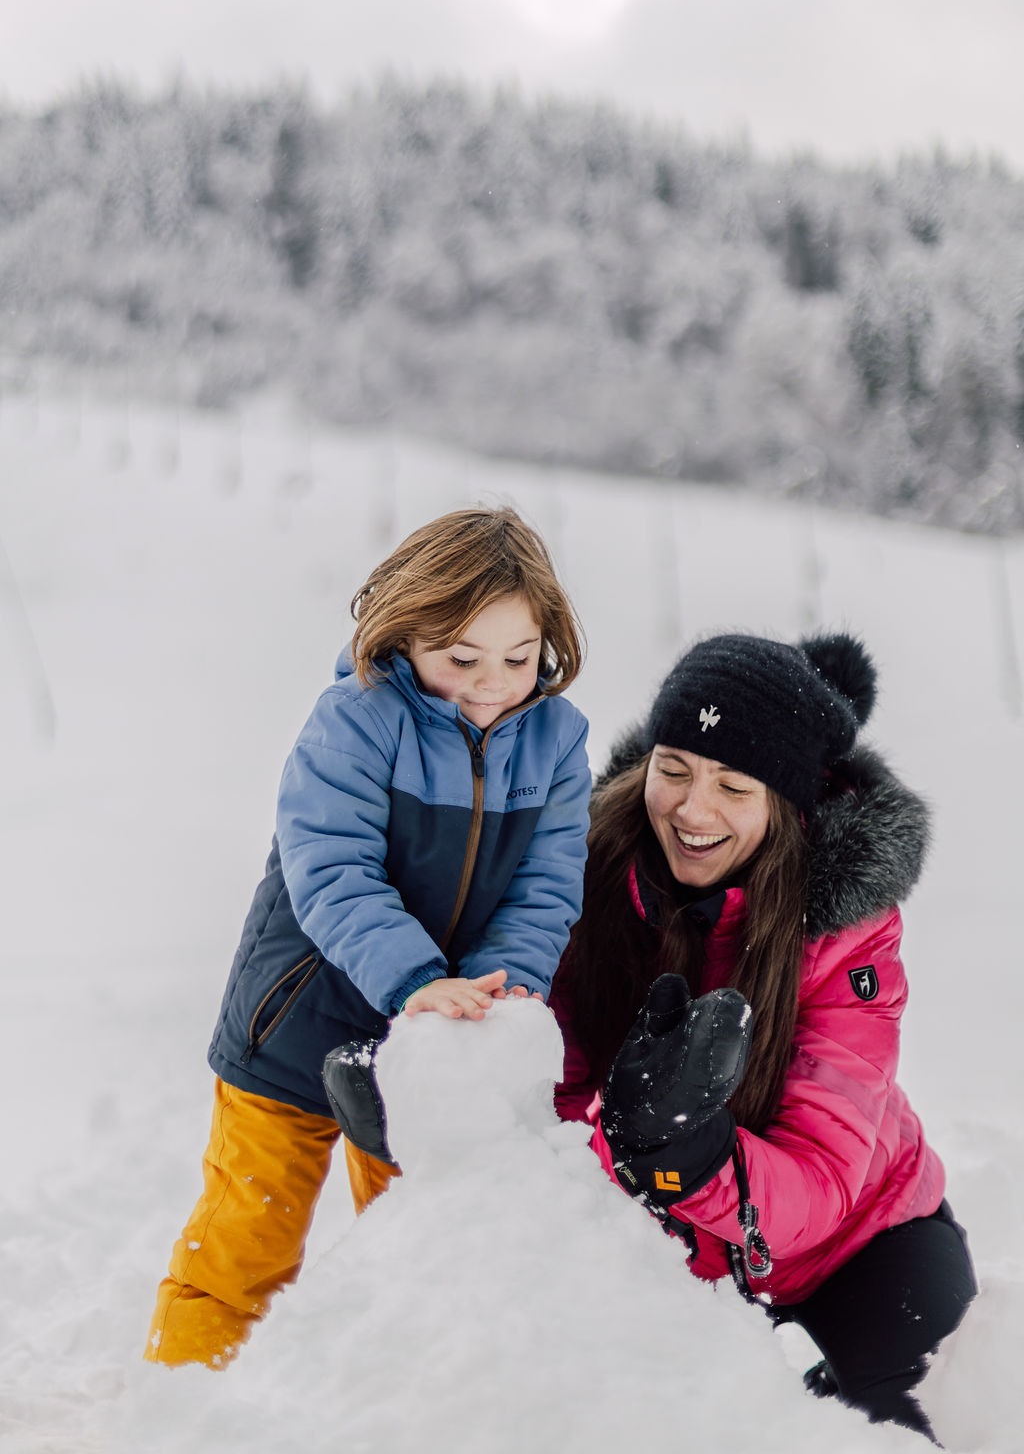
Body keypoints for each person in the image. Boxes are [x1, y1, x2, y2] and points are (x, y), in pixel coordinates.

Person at [145, 506, 591, 1369]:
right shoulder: (355, 719)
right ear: (404, 632)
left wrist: (498, 989)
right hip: (298, 1025)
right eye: (462, 658)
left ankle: (387, 1414)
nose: (492, 683)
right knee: (245, 1247)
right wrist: (414, 978)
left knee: (417, 1244)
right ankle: (180, 1409)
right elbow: (332, 867)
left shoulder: (557, 742)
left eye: (518, 657)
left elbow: (546, 887)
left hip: (436, 1042)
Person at [550, 631, 975, 1444]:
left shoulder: (847, 932)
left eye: (732, 787)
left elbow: (822, 1177)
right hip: (665, 1245)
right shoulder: (584, 872)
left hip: (857, 1235)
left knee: (931, 1423)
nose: (691, 810)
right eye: (671, 770)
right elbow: (553, 1092)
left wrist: (691, 1159)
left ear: (787, 804)